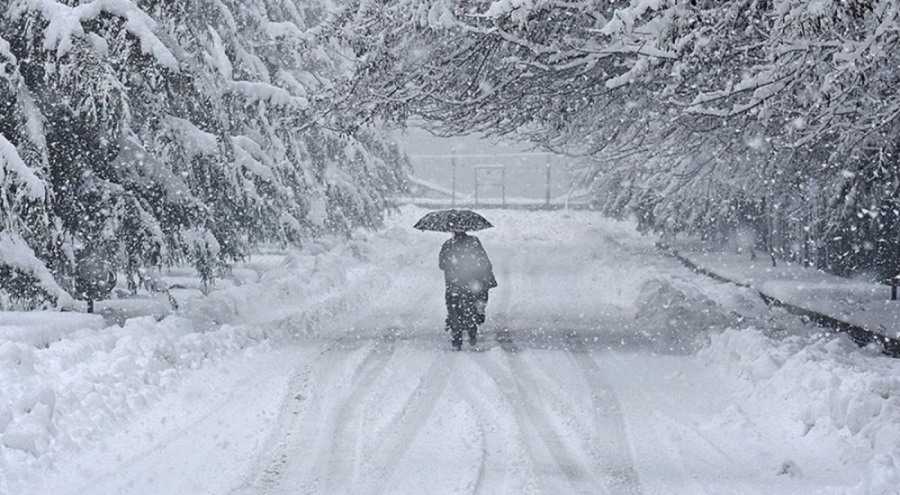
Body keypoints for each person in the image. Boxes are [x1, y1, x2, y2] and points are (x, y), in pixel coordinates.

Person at [439, 230, 496, 350]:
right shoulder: (474, 242)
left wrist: (453, 265)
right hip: (471, 283)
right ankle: (471, 330)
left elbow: (442, 264)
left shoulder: (448, 245)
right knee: (470, 307)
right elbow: (483, 260)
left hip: (454, 284)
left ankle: (457, 337)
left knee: (454, 309)